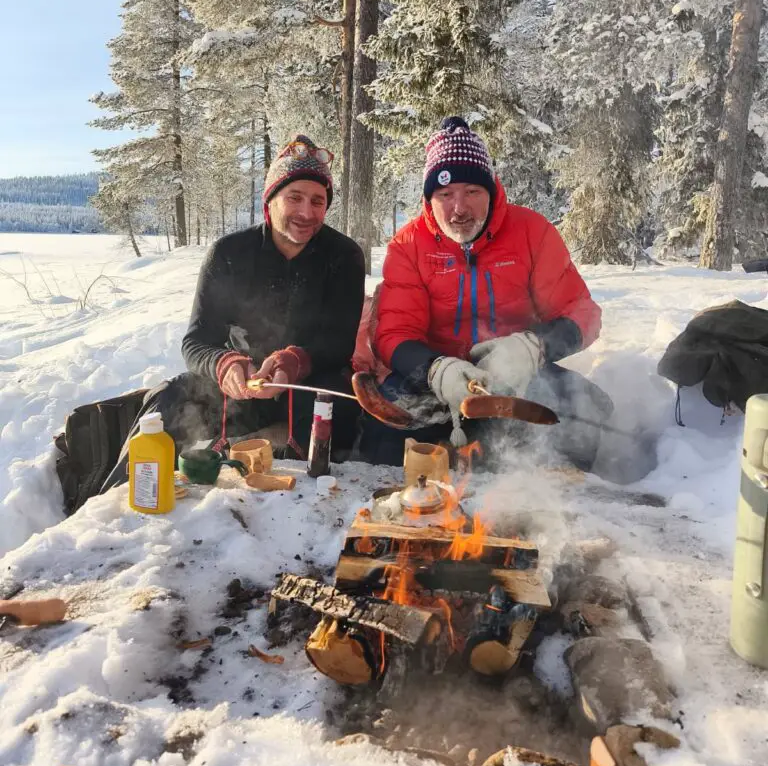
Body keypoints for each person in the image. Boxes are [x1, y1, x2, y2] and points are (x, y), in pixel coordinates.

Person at [101, 136, 365, 490]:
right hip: (241, 386)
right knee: (171, 398)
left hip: (310, 382)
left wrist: (293, 362)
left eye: (318, 201)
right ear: (268, 201)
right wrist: (225, 365)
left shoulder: (343, 255)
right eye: (294, 198)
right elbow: (197, 342)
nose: (306, 212)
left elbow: (339, 345)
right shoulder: (229, 253)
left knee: (335, 403)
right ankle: (118, 495)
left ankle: (314, 499)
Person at [361, 116, 611, 469]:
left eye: (472, 192)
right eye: (445, 195)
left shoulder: (532, 232)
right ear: (429, 199)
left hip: (519, 373)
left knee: (584, 414)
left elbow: (583, 313)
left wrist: (534, 346)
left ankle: (554, 507)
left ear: (491, 191)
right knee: (382, 430)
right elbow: (394, 332)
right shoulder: (409, 245)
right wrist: (434, 369)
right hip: (440, 377)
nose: (459, 208)